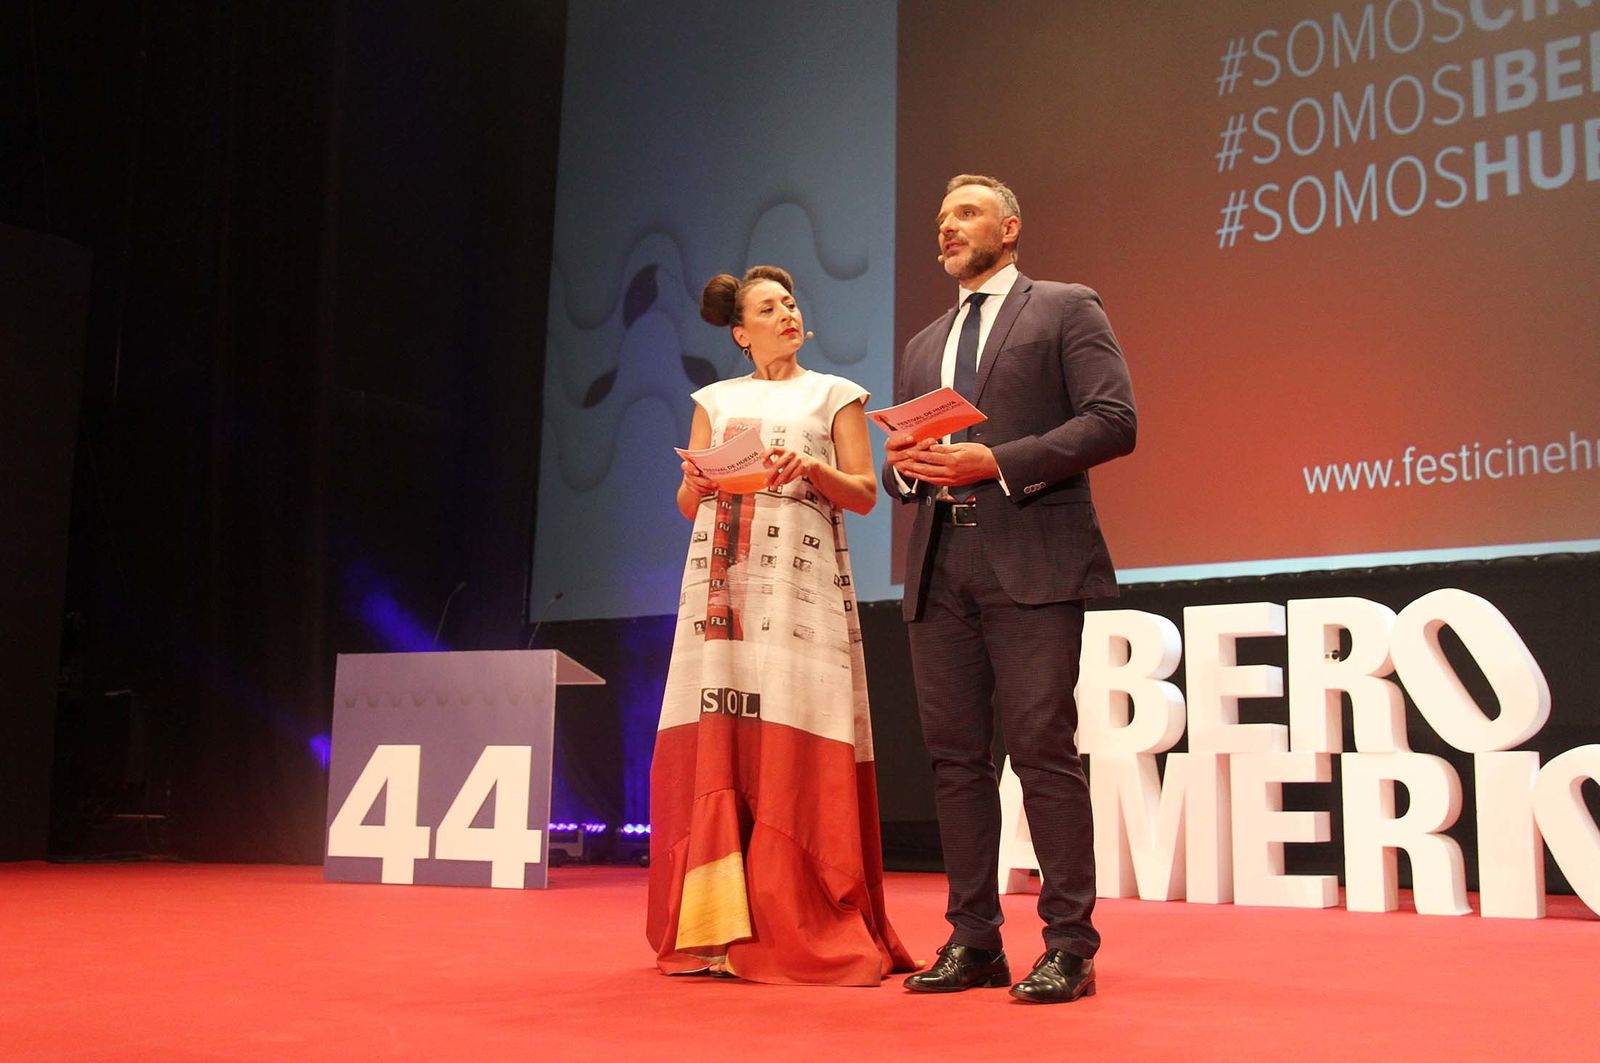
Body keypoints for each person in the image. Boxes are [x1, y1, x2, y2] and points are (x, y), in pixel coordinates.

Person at [883, 175, 1137, 1004]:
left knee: (1041, 750)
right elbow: (914, 467)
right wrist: (908, 471)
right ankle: (973, 938)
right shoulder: (924, 344)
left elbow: (1112, 419)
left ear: (1011, 227)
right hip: (938, 564)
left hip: (1030, 557)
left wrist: (993, 461)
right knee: (956, 760)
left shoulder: (1064, 306)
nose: (947, 227)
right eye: (941, 217)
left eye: (964, 213)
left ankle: (1069, 943)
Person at [647, 264, 913, 986]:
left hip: (799, 584)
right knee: (722, 736)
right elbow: (684, 500)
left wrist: (811, 468)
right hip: (721, 582)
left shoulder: (835, 395)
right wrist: (696, 482)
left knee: (795, 727)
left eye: (792, 303)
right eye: (770, 307)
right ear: (742, 332)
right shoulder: (716, 398)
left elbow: (863, 494)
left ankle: (796, 910)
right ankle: (711, 927)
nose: (787, 312)